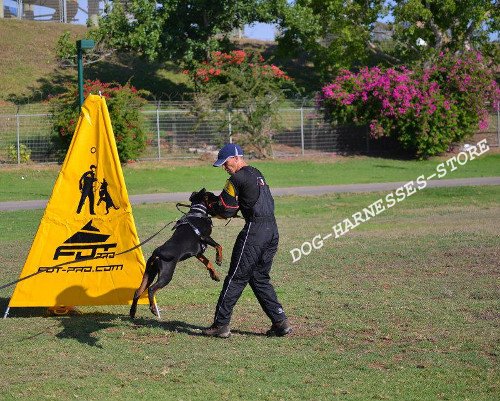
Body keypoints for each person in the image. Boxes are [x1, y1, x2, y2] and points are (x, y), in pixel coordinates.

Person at [202, 143, 292, 338]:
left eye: (225, 163)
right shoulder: (257, 173)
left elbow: (226, 209)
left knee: (236, 277)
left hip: (255, 232)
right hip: (272, 231)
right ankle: (280, 322)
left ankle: (221, 325)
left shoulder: (235, 179)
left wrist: (210, 208)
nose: (225, 168)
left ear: (236, 158)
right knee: (259, 277)